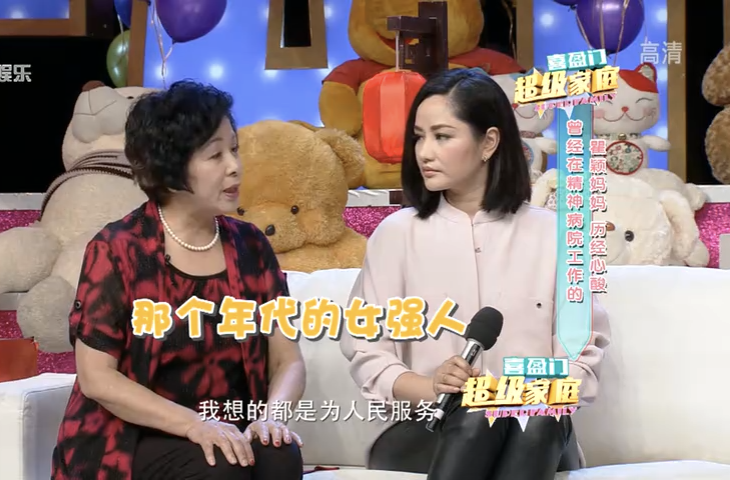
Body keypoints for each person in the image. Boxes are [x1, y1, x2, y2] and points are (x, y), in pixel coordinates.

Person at [339, 69, 611, 480]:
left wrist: (513, 394)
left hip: (537, 429)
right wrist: (433, 385)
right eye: (419, 137)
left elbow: (582, 359)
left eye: (442, 136)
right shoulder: (396, 235)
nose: (424, 152)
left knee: (534, 418)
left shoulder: (556, 236)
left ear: (489, 142)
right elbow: (368, 355)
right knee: (474, 415)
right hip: (429, 431)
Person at [51, 81, 306, 480]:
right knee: (219, 467)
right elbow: (97, 378)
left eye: (234, 149)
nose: (234, 166)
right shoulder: (117, 249)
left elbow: (287, 360)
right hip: (132, 435)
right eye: (215, 155)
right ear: (170, 169)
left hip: (226, 427)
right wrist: (194, 425)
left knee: (278, 454)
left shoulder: (251, 245)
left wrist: (272, 418)